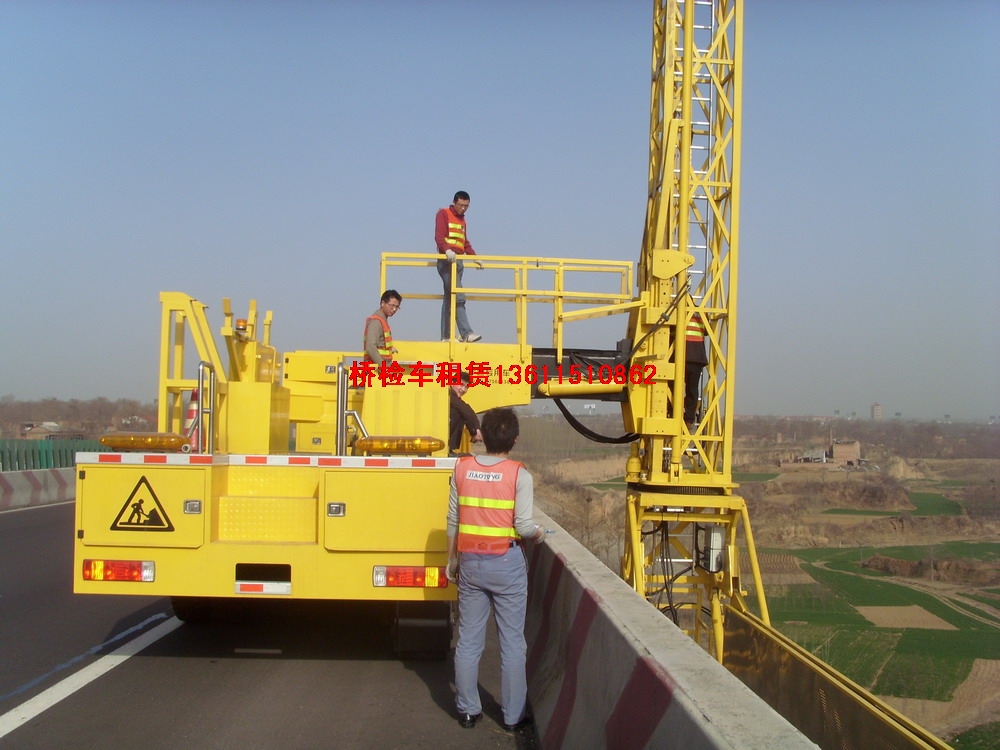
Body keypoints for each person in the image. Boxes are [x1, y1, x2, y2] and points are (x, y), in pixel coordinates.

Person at [446, 407, 546, 733]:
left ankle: (467, 711)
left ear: (482, 435)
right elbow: (523, 525)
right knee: (512, 643)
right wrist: (539, 533)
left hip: (470, 562)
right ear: (514, 438)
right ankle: (513, 717)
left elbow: (453, 520)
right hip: (506, 563)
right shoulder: (519, 475)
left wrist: (452, 560)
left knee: (468, 641)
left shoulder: (461, 468)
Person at [435, 190, 482, 343]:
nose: (463, 208)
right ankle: (466, 332)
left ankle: (446, 336)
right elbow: (439, 236)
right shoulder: (444, 213)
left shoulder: (462, 221)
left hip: (458, 262)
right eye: (461, 205)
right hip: (447, 260)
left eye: (466, 206)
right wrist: (446, 250)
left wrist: (475, 258)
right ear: (454, 202)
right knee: (458, 296)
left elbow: (464, 242)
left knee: (450, 298)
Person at [448, 371, 483, 455]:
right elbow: (466, 411)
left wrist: (475, 430)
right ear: (452, 383)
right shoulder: (448, 396)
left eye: (466, 386)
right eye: (461, 384)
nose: (463, 389)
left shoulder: (455, 400)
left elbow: (467, 411)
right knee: (460, 412)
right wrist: (475, 432)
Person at [363, 290, 401, 365]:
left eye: (397, 307)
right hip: (376, 370)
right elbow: (370, 347)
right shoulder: (376, 322)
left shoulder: (382, 321)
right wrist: (383, 366)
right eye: (392, 306)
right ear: (383, 303)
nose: (394, 309)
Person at [684, 311, 708, 426]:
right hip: (697, 357)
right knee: (692, 389)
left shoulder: (678, 311)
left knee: (672, 387)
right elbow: (708, 331)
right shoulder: (702, 312)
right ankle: (689, 418)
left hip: (681, 356)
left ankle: (674, 412)